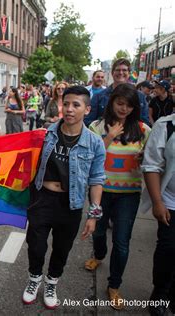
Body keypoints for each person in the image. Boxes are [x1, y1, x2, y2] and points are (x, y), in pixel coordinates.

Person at [22, 86, 106, 309]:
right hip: (42, 199)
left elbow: (97, 178)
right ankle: (34, 279)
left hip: (71, 204)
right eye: (66, 104)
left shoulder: (95, 143)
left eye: (76, 105)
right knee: (36, 246)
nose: (69, 109)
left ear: (87, 109)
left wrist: (93, 214)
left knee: (61, 248)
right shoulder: (45, 134)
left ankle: (51, 282)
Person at [85, 83, 151, 310]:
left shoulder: (143, 130)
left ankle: (114, 285)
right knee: (99, 232)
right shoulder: (96, 126)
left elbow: (153, 161)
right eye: (120, 103)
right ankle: (100, 254)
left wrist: (145, 158)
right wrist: (109, 136)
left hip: (128, 195)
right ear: (111, 102)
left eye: (129, 105)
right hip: (100, 192)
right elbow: (89, 157)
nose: (124, 109)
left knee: (122, 242)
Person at [140, 113, 175, 316]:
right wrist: (157, 202)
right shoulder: (165, 125)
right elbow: (152, 164)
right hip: (170, 201)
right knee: (169, 249)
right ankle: (160, 294)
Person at [85, 58, 150, 126]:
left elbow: (145, 122)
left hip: (132, 135)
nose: (121, 73)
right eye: (118, 70)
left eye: (124, 70)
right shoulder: (98, 96)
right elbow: (88, 121)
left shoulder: (140, 96)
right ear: (112, 73)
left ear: (129, 73)